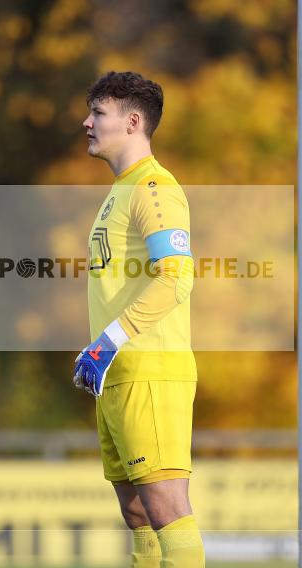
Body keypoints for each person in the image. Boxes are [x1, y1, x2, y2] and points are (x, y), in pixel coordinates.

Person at [73, 71, 204, 568]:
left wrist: (108, 341)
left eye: (98, 114)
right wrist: (102, 351)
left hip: (150, 369)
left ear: (131, 122)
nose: (86, 122)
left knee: (166, 508)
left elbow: (175, 279)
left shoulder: (154, 188)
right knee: (137, 513)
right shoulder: (119, 191)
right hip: (118, 375)